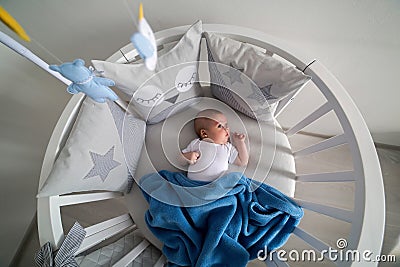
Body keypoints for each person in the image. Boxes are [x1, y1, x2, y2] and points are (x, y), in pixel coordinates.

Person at [181, 109, 249, 182]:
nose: (226, 129)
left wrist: (240, 142)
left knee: (237, 178)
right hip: (194, 184)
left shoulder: (227, 147)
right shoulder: (196, 143)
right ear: (204, 133)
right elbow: (179, 161)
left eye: (226, 125)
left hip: (217, 185)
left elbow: (243, 162)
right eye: (219, 126)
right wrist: (186, 157)